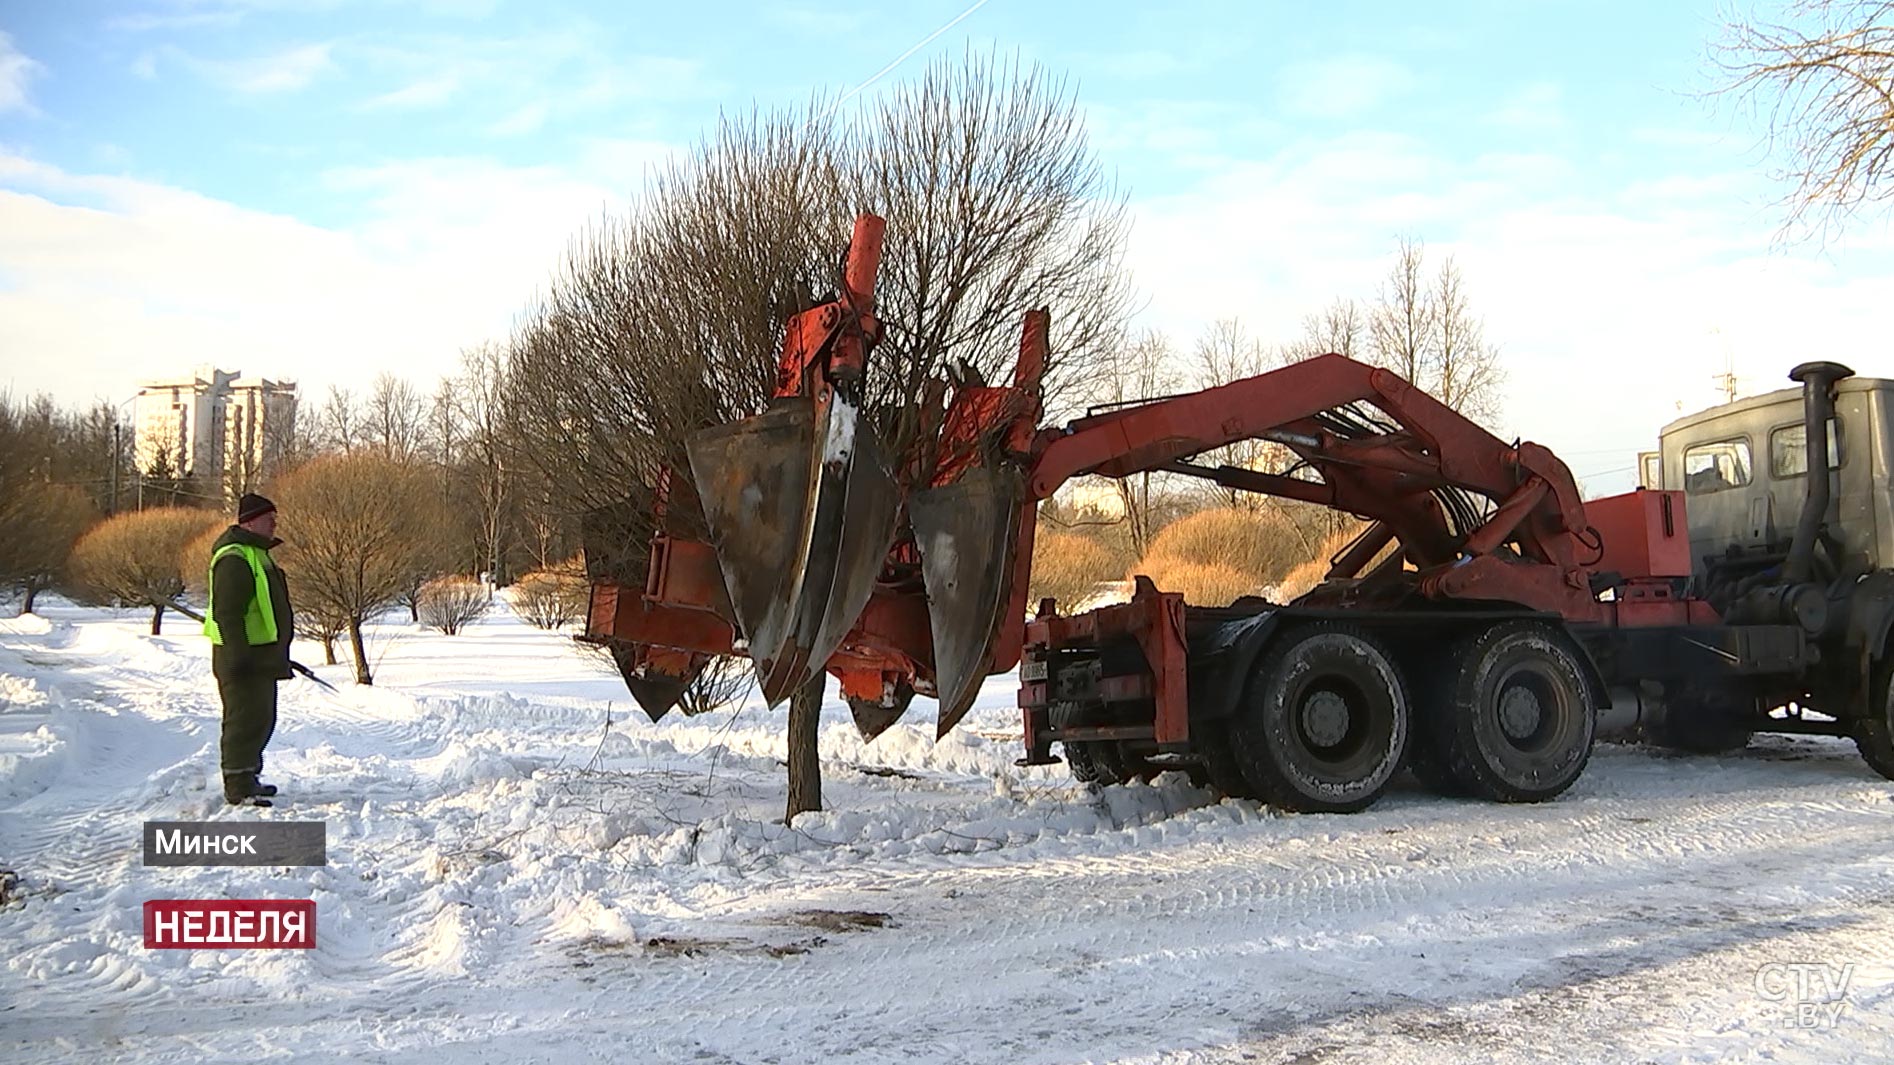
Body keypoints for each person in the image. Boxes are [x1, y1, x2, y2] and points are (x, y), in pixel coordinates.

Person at [205, 492, 295, 806]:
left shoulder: (256, 553)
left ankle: (248, 776)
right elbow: (228, 612)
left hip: (260, 655)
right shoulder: (234, 556)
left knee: (260, 718)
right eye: (269, 519)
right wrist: (238, 654)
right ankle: (237, 785)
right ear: (251, 521)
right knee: (243, 720)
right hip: (241, 656)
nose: (274, 524)